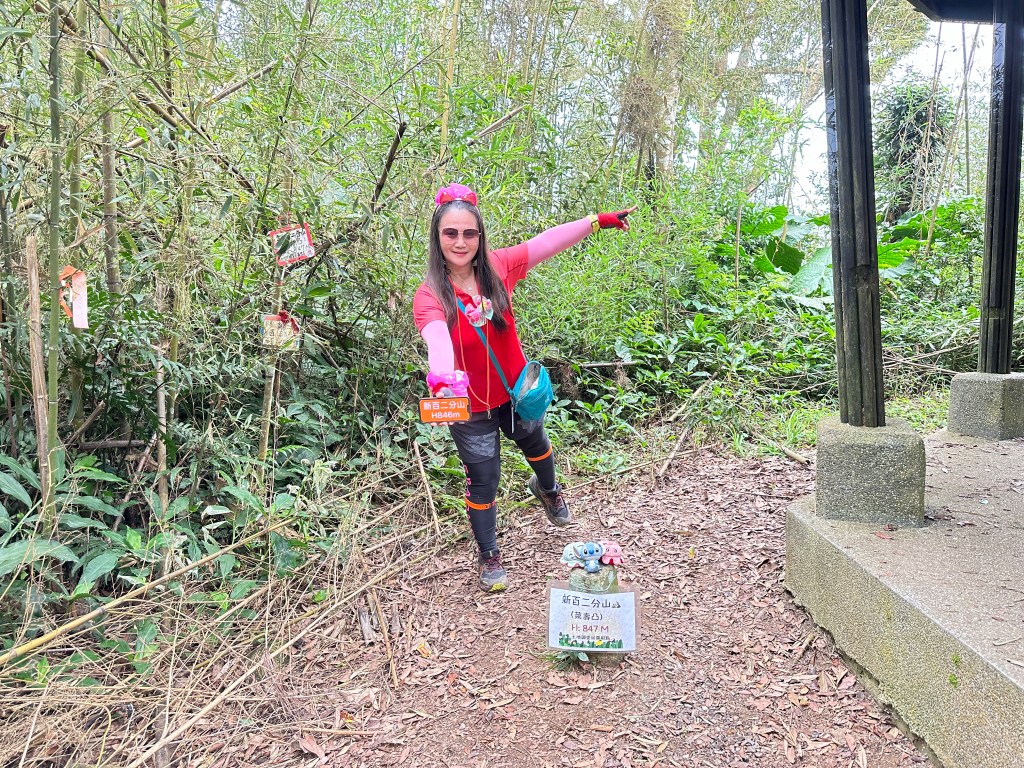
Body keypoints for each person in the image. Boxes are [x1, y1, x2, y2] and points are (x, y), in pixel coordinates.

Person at [413, 183, 635, 592]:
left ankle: (548, 490)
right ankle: (488, 554)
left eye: (469, 233)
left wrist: (597, 221)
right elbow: (437, 341)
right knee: (483, 477)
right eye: (450, 233)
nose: (460, 242)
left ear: (480, 236)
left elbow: (546, 243)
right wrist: (443, 382)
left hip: (515, 392)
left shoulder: (498, 266)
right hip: (470, 405)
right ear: (437, 236)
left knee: (536, 445)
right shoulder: (430, 296)